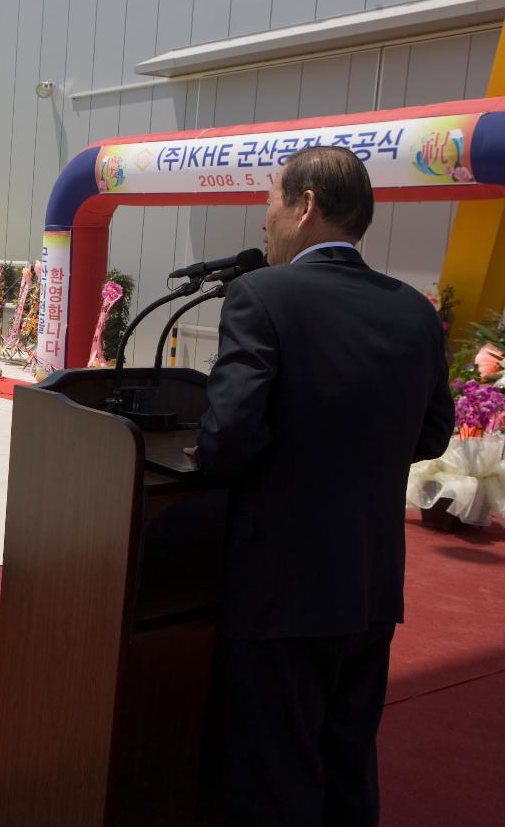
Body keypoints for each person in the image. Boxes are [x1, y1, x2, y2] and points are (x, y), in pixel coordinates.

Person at [194, 146, 454, 827]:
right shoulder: (414, 312)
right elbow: (431, 435)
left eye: (270, 201)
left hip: (282, 589)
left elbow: (227, 438)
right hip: (369, 589)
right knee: (346, 766)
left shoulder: (261, 295)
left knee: (275, 776)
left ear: (305, 205)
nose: (264, 220)